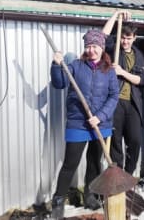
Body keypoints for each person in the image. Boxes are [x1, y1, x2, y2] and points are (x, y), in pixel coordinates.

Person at [50, 29, 119, 219]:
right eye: (88, 46)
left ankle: (90, 195)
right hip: (78, 123)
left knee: (95, 162)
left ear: (102, 48)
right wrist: (56, 65)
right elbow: (59, 83)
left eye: (95, 46)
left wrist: (100, 116)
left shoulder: (109, 70)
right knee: (70, 164)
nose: (91, 50)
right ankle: (58, 201)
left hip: (100, 124)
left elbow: (114, 96)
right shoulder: (75, 66)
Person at [102, 10, 144, 175]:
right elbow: (103, 36)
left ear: (134, 38)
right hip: (115, 103)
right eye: (122, 37)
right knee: (115, 141)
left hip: (133, 103)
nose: (125, 41)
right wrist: (115, 14)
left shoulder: (140, 55)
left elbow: (142, 80)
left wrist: (122, 72)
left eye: (129, 38)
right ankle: (117, 176)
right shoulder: (113, 50)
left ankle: (128, 175)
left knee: (135, 141)